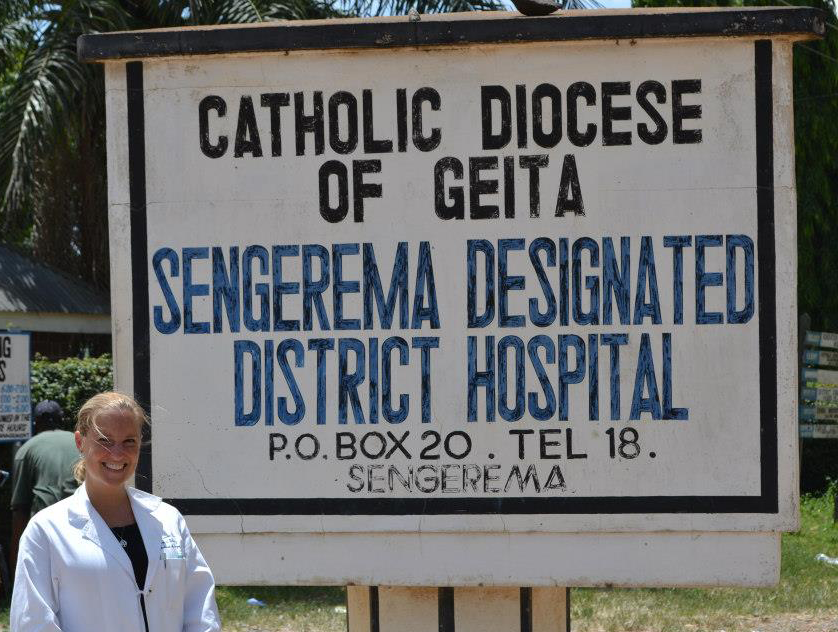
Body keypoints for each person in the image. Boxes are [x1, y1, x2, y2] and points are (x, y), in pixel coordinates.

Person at [10, 392, 221, 632]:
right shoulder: (46, 532)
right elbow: (33, 623)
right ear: (80, 442)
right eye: (104, 440)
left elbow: (201, 611)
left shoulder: (168, 520)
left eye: (129, 441)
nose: (117, 453)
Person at [9, 400, 79, 574]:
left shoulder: (27, 449)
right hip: (84, 522)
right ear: (62, 420)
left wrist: (16, 563)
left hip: (46, 530)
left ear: (36, 422)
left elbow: (20, 508)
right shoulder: (80, 442)